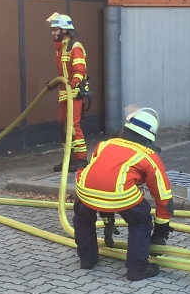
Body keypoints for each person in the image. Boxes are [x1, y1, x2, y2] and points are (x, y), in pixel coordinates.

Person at [72, 106, 174, 281]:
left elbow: (102, 181)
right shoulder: (149, 156)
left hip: (85, 190)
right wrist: (160, 232)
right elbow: (163, 197)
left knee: (82, 218)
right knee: (140, 221)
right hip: (121, 194)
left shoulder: (104, 144)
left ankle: (87, 259)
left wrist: (108, 221)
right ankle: (137, 268)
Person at [47, 12, 89, 172]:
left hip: (74, 93)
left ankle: (81, 159)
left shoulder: (74, 46)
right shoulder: (61, 48)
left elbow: (79, 71)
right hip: (65, 93)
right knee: (62, 125)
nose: (53, 33)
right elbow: (63, 72)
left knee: (72, 125)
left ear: (64, 30)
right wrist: (55, 84)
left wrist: (73, 83)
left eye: (55, 29)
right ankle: (69, 158)